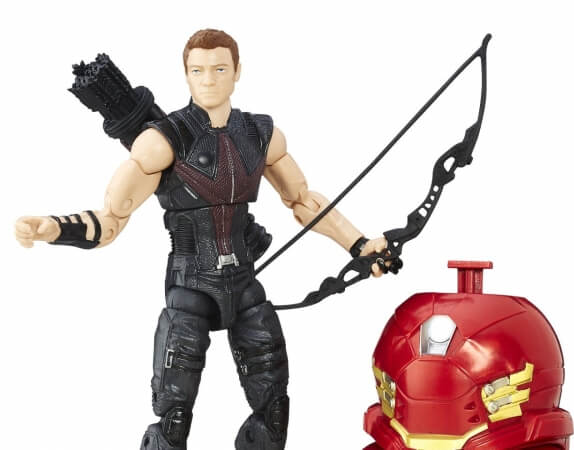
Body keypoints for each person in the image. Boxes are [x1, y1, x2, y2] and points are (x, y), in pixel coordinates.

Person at [14, 29, 386, 450]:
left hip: (245, 288)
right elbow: (110, 220)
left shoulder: (261, 134)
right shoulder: (160, 143)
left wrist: (359, 245)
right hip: (190, 290)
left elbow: (303, 200)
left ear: (237, 72)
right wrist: (55, 228)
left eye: (219, 69)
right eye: (198, 71)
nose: (208, 79)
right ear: (186, 74)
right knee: (173, 419)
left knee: (275, 411)